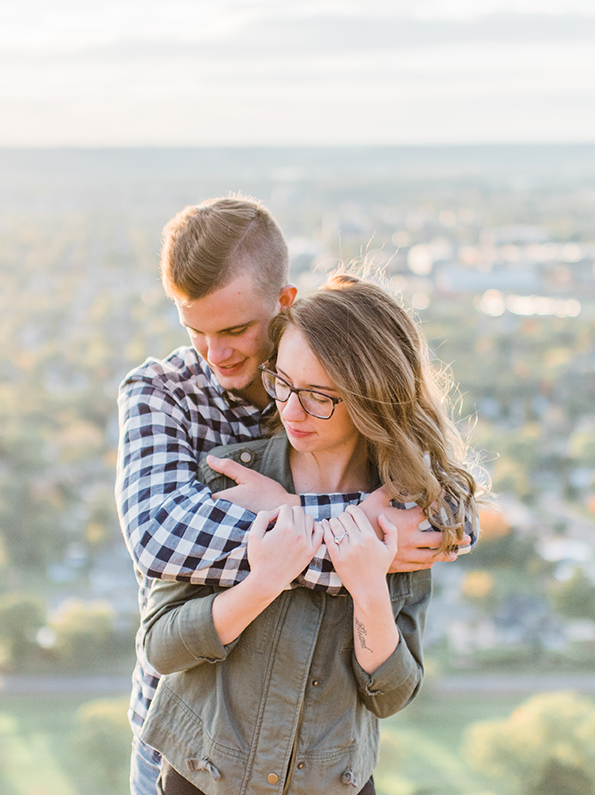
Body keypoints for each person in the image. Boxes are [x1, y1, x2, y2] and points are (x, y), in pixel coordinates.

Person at [115, 197, 472, 795]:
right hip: (187, 746)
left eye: (233, 329)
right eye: (194, 331)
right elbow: (160, 540)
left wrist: (283, 517)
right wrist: (356, 534)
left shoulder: (339, 372)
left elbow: (445, 523)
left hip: (316, 762)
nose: (215, 354)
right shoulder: (164, 394)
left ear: (284, 304)